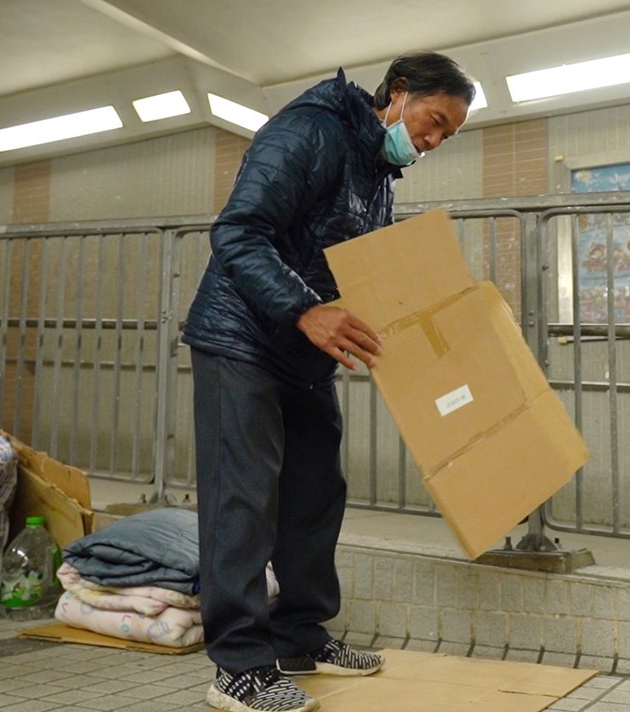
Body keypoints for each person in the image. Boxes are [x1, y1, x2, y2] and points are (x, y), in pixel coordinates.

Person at [181, 51, 476, 712]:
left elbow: (361, 260)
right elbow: (237, 232)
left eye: (445, 138)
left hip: (303, 351)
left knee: (316, 492)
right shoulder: (309, 131)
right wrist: (304, 308)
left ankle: (298, 637)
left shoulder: (380, 173)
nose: (431, 142)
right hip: (243, 338)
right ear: (398, 94)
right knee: (244, 498)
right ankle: (237, 664)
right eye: (431, 123)